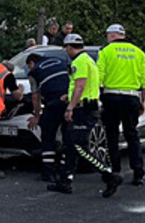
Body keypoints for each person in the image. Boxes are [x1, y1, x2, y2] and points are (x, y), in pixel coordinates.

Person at [48, 34, 123, 197]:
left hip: (83, 110)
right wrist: (69, 97)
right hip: (86, 105)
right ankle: (65, 179)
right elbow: (86, 87)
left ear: (69, 47)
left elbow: (80, 86)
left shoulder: (80, 62)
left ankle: (108, 174)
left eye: (66, 49)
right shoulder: (89, 60)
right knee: (69, 144)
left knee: (78, 146)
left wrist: (70, 107)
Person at [97, 23, 145, 186]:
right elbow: (144, 81)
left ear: (112, 36)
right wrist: (141, 101)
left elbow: (99, 77)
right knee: (132, 135)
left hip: (111, 97)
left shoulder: (106, 51)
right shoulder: (138, 52)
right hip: (132, 97)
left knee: (112, 135)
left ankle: (115, 170)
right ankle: (138, 172)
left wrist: (99, 98)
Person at [25, 52, 70, 183]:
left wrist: (37, 116)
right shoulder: (61, 62)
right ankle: (64, 169)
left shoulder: (34, 72)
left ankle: (48, 172)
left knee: (48, 136)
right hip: (70, 101)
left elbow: (35, 96)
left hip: (53, 103)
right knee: (67, 136)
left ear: (31, 63)